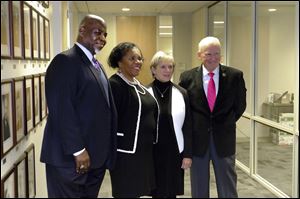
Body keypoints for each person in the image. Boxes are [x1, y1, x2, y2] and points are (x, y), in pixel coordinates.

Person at [40, 14, 118, 198]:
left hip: (94, 159)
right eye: (97, 32)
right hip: (70, 159)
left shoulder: (97, 65)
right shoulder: (65, 61)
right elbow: (62, 110)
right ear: (82, 30)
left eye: (105, 35)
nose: (103, 39)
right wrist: (78, 150)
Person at [179, 36, 247, 198]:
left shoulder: (234, 76)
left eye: (217, 54)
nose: (213, 58)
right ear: (199, 55)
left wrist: (226, 123)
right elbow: (185, 109)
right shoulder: (187, 77)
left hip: (224, 138)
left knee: (227, 184)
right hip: (198, 140)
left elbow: (240, 106)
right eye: (208, 54)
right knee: (199, 185)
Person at [108, 42, 159, 198]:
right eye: (132, 58)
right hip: (125, 154)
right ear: (119, 61)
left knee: (138, 192)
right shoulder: (115, 85)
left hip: (143, 152)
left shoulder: (137, 84)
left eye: (140, 58)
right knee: (126, 192)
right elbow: (108, 120)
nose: (138, 62)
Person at [147, 51, 192, 198]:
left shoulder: (182, 93)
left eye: (170, 67)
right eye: (163, 67)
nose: (168, 71)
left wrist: (187, 155)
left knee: (171, 191)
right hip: (152, 153)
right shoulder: (144, 92)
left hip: (175, 151)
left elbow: (188, 126)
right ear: (153, 69)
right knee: (156, 192)